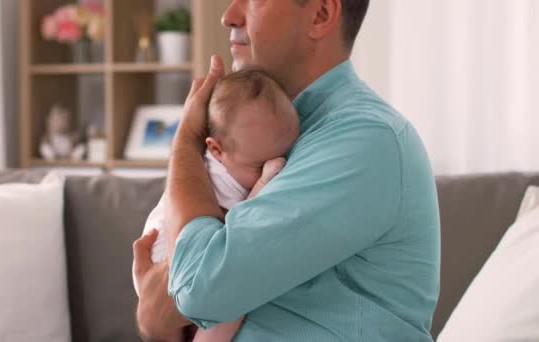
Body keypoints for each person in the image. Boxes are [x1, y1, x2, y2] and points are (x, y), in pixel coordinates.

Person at [133, 0, 441, 341]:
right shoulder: (255, 140)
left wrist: (186, 142)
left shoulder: (364, 139)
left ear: (321, 14)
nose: (229, 15)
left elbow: (194, 290)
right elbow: (158, 313)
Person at [134, 69, 300, 341]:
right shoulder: (218, 177)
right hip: (163, 256)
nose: (273, 166)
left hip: (167, 273)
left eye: (282, 155)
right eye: (259, 165)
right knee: (233, 298)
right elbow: (240, 223)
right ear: (216, 150)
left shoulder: (239, 155)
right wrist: (262, 184)